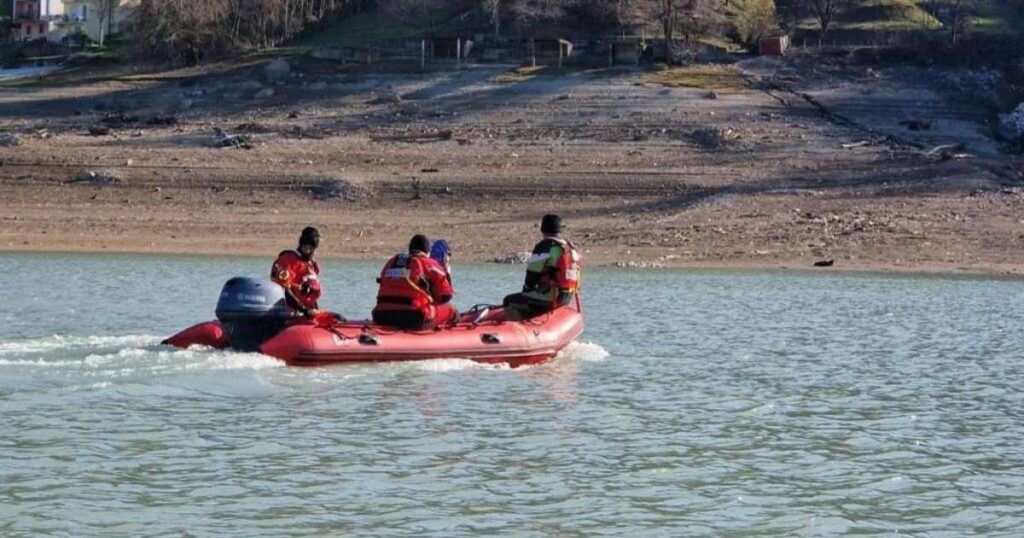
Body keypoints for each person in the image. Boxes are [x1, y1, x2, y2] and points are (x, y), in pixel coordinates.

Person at [503, 214, 581, 320]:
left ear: (542, 229)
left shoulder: (545, 247)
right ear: (559, 230)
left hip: (550, 298)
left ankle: (522, 325)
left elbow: (532, 275)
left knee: (508, 300)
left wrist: (525, 292)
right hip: (566, 297)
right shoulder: (568, 247)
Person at [373, 234, 456, 329]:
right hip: (413, 318)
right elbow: (446, 296)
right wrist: (447, 274)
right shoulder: (428, 263)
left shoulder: (390, 262)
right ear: (428, 252)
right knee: (451, 310)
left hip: (381, 316)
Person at [271, 226, 323, 318]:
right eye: (305, 247)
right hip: (290, 313)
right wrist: (304, 310)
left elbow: (311, 295)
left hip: (307, 312)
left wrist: (315, 313)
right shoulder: (286, 261)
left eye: (311, 248)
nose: (308, 250)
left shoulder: (311, 263)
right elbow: (286, 292)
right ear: (301, 244)